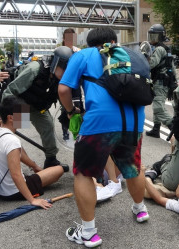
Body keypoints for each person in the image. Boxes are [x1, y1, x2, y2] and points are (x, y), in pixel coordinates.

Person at [58, 27, 149, 248]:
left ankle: (89, 233)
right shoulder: (133, 55)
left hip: (99, 123)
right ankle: (140, 209)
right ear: (113, 41)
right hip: (134, 122)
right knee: (133, 167)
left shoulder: (83, 55)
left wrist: (71, 112)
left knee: (83, 174)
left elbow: (63, 90)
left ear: (90, 43)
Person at [1, 46, 73, 169]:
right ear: (56, 63)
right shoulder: (35, 69)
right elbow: (11, 90)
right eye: (65, 68)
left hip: (37, 106)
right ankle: (3, 161)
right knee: (11, 132)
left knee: (48, 125)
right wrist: (2, 117)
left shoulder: (57, 77)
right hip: (21, 103)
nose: (67, 72)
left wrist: (69, 111)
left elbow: (61, 94)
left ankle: (51, 159)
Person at [0, 95, 65, 207]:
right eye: (23, 114)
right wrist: (32, 200)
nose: (26, 118)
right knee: (59, 170)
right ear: (10, 118)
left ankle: (34, 172)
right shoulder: (12, 141)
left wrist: (34, 166)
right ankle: (30, 192)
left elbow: (19, 152)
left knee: (41, 169)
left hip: (1, 188)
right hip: (13, 191)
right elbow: (16, 174)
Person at [145, 24, 178, 138]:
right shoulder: (166, 48)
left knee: (158, 107)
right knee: (157, 104)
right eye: (151, 36)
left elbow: (151, 64)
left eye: (155, 36)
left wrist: (143, 55)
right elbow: (172, 67)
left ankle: (173, 127)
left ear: (160, 37)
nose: (152, 39)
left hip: (160, 82)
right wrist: (175, 82)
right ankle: (156, 129)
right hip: (165, 82)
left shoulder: (159, 49)